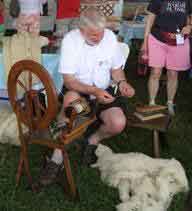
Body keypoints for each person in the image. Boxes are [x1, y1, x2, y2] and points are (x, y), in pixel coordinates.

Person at [39, 7, 135, 186]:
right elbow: (69, 81)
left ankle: (92, 141)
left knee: (118, 123)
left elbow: (116, 69)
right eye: (93, 35)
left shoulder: (109, 38)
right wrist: (94, 91)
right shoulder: (71, 40)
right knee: (72, 108)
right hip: (81, 92)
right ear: (81, 30)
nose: (98, 38)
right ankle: (56, 158)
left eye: (101, 33)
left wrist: (122, 83)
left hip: (105, 91)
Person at [142, 0, 192, 115]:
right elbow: (150, 20)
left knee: (173, 73)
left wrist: (190, 26)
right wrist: (145, 42)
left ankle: (170, 102)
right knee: (155, 72)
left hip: (179, 41)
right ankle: (152, 103)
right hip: (157, 39)